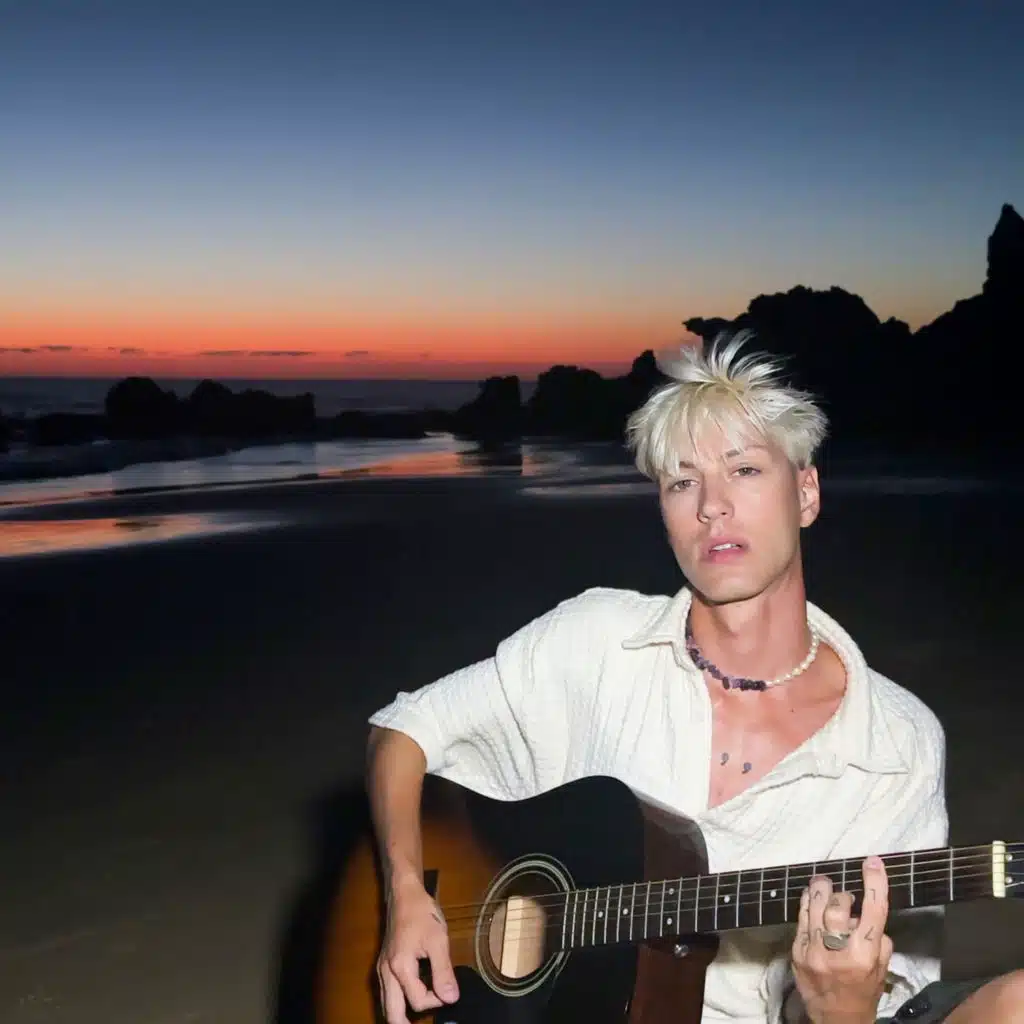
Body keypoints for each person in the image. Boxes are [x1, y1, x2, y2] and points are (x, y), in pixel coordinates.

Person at [364, 330, 1024, 1023]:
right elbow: (403, 729)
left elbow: (894, 995)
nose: (712, 505)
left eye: (745, 470)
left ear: (806, 494)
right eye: (682, 482)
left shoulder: (896, 743)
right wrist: (405, 892)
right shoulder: (598, 637)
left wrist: (841, 1007)